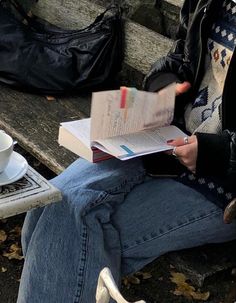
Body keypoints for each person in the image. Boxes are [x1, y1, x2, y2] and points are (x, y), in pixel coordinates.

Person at [17, 0, 236, 302]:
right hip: (168, 141)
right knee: (49, 202)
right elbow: (183, 55)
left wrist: (215, 152)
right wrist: (165, 86)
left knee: (68, 232)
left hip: (222, 181)